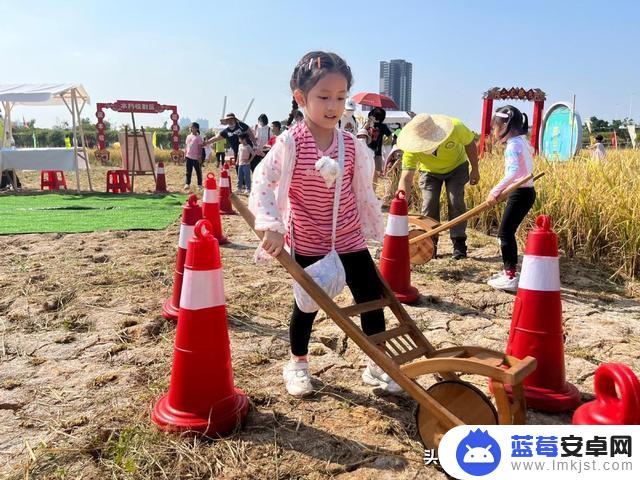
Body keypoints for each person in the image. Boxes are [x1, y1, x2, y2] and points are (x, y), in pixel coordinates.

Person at [249, 50, 399, 397]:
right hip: (309, 239)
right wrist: (271, 224)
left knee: (370, 299)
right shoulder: (291, 143)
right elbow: (261, 180)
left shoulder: (350, 143)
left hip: (349, 237)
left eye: (341, 98)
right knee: (307, 304)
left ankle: (377, 363)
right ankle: (298, 363)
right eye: (324, 97)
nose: (334, 106)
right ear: (301, 98)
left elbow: (360, 187)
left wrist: (370, 220)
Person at [397, 113, 480, 259]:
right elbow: (406, 178)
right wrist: (400, 203)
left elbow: (470, 144)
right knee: (429, 205)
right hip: (429, 172)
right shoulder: (411, 148)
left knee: (455, 201)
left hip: (457, 167)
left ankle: (459, 244)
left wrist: (475, 169)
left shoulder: (456, 127)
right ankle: (430, 244)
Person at [485, 105, 536, 291]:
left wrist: (495, 191)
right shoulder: (523, 141)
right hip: (526, 192)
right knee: (507, 232)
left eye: (495, 126)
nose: (493, 131)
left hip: (520, 192)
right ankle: (510, 271)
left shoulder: (513, 145)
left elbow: (514, 172)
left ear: (505, 125)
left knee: (504, 234)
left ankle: (510, 277)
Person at [366, 107, 392, 174]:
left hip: (377, 152)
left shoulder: (382, 126)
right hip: (367, 151)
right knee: (368, 170)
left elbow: (389, 135)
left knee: (377, 171)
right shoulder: (368, 125)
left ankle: (374, 184)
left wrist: (385, 141)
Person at [184, 122, 203, 190]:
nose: (191, 128)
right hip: (188, 156)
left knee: (198, 171)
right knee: (188, 171)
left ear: (197, 128)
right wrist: (185, 154)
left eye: (192, 127)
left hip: (196, 158)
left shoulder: (199, 137)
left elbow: (200, 148)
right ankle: (187, 184)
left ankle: (200, 185)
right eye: (190, 127)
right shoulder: (188, 136)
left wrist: (199, 157)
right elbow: (186, 146)